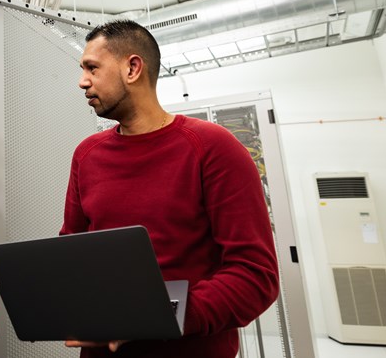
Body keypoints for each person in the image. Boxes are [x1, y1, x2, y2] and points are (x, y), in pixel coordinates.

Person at [61, 20, 279, 357]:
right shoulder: (86, 155)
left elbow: (254, 276)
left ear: (133, 68)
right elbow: (72, 253)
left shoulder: (212, 147)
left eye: (92, 68)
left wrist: (160, 315)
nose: (82, 81)